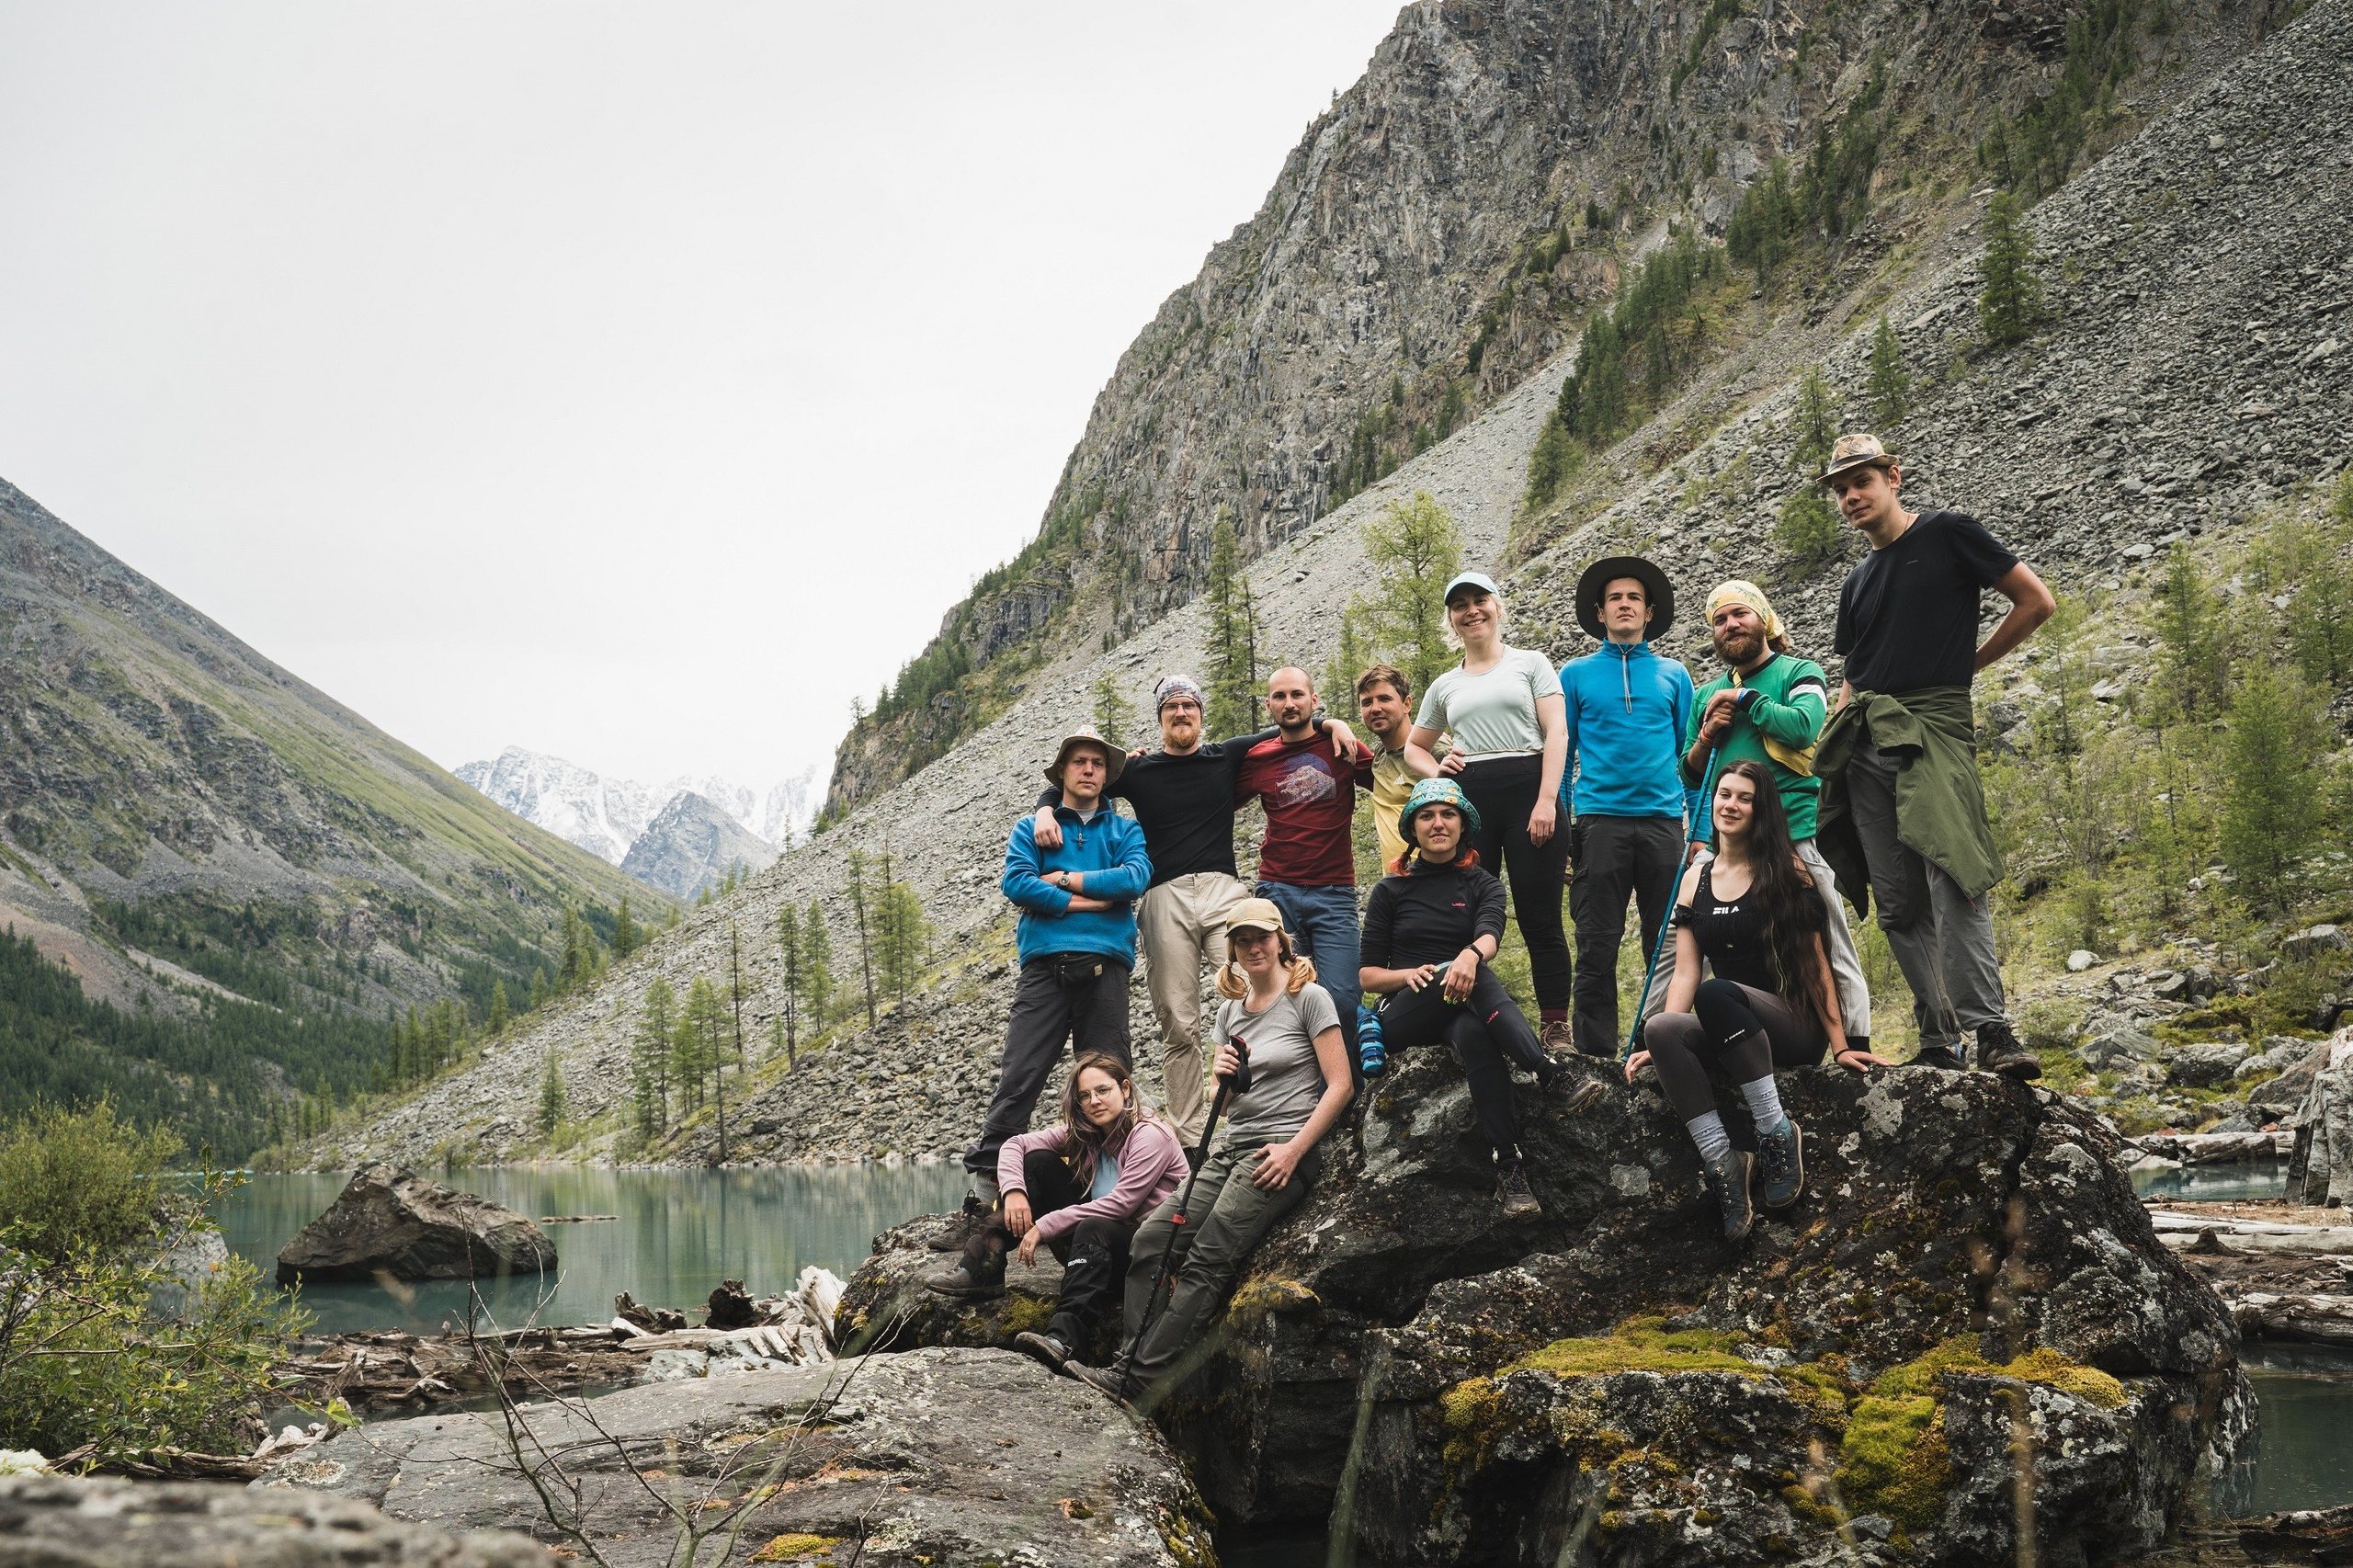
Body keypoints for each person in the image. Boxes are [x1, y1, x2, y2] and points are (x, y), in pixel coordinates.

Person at [1812, 435, 2054, 1078]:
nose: (1851, 497)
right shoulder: (1857, 581)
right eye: (1840, 489)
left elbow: (2036, 601)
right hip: (1865, 740)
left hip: (1934, 727)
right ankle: (1938, 1038)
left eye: (1861, 481)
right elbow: (1853, 671)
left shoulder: (1949, 534)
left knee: (1954, 875)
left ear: (1894, 476)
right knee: (1896, 900)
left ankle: (1992, 1032)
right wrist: (1840, 726)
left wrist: (1970, 664)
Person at [1029, 676, 1358, 1144]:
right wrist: (1044, 809)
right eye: (1171, 707)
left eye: (1189, 706)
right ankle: (1186, 1139)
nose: (1181, 713)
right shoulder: (1138, 771)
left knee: (1265, 989)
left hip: (1225, 890)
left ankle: (1284, 1110)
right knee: (1178, 1020)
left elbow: (1292, 726)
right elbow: (1081, 779)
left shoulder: (1226, 755)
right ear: (1160, 717)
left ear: (1201, 714)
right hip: (1165, 895)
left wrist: (1335, 722)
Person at [1066, 899, 1354, 1405]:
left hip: (1281, 1149)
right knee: (1153, 1236)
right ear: (1233, 949)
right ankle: (1124, 1362)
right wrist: (1225, 1079)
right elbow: (1228, 1109)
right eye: (1242, 940)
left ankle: (1137, 1383)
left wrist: (1293, 1151)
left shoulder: (1309, 998)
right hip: (1230, 1148)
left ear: (1280, 940)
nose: (1253, 947)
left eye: (1261, 937)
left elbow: (1340, 1086)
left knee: (1208, 1255)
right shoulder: (1228, 1012)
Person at [1631, 763, 1893, 1242]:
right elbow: (1687, 970)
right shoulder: (1695, 879)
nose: (1730, 805)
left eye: (1744, 798)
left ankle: (1775, 1131)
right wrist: (1662, 1037)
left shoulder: (1786, 871)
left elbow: (1818, 966)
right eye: (1724, 794)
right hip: (1728, 1024)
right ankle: (1724, 1161)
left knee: (1717, 992)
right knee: (1662, 1029)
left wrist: (1840, 1044)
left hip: (1790, 1026)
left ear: (1760, 809)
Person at [1360, 779, 1600, 1219]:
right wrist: (1408, 974)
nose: (1438, 823)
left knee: (1475, 1034)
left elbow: (1490, 932)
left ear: (1463, 825)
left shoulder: (1482, 883)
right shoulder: (1389, 890)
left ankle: (1510, 1169)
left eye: (1448, 814)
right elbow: (1368, 974)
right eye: (1427, 816)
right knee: (1471, 972)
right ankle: (1549, 1075)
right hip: (1405, 1011)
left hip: (1461, 1003)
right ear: (1412, 829)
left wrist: (1469, 957)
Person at [1673, 580, 1872, 1053]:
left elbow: (1805, 727)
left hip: (1798, 832)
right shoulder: (1706, 695)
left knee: (1829, 941)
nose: (1730, 625)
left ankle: (1856, 1039)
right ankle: (1697, 1035)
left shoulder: (1798, 671)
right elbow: (1690, 772)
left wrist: (1745, 702)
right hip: (1733, 845)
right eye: (1719, 620)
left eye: (1740, 614)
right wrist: (1706, 736)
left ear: (1765, 619)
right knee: (1701, 942)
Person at [960, 728, 1153, 1212]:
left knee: (1109, 1082)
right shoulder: (1031, 828)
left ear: (1107, 775)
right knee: (1019, 1076)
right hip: (1044, 969)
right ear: (1062, 771)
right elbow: (1018, 883)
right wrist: (1094, 902)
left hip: (1105, 969)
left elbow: (1135, 878)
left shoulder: (1124, 830)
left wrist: (1064, 882)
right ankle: (987, 1201)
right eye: (1079, 762)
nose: (1089, 770)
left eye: (1098, 763)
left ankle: (1114, 1195)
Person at [923, 1052, 1188, 1374]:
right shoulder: (1088, 1132)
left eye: (1103, 1091)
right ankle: (984, 1265)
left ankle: (1064, 1339)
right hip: (1096, 1249)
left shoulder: (1150, 1135)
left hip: (1143, 1256)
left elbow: (1122, 1205)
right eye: (1085, 1096)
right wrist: (1015, 1192)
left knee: (1093, 1226)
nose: (1094, 1101)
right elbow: (1014, 1145)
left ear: (1126, 1089)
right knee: (1038, 1164)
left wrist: (1045, 1226)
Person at [1403, 573, 1575, 1048]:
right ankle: (1460, 1019)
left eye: (1480, 600)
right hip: (1470, 800)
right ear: (1452, 620)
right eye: (1460, 605)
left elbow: (1556, 733)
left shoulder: (1531, 663)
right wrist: (1437, 771)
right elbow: (1414, 747)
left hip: (1530, 793)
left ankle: (1556, 1025)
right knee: (1467, 914)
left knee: (1540, 917)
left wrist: (1546, 800)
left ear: (1498, 608)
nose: (1472, 610)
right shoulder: (1445, 684)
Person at [1557, 558, 1697, 1058]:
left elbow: (1692, 756)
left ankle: (1658, 1048)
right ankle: (1596, 1056)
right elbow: (1562, 756)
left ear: (1648, 611)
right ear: (1600, 613)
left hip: (1665, 824)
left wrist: (1698, 827)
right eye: (1615, 598)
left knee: (1669, 946)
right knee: (1596, 944)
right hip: (1599, 823)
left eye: (1633, 598)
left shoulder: (1675, 675)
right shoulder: (1573, 676)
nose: (1624, 604)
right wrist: (1566, 832)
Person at [1236, 668, 1377, 1067]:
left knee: (1344, 997)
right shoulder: (1257, 759)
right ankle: (1300, 1100)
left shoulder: (1342, 746)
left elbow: (1392, 775)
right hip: (1276, 893)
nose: (1289, 703)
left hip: (1333, 893)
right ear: (1269, 706)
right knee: (1284, 999)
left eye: (1297, 694)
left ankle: (1345, 1096)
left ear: (1314, 701)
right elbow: (1212, 798)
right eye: (1279, 697)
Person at [1355, 663, 1440, 876]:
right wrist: (1331, 725)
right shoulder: (1379, 757)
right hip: (1396, 886)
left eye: (1384, 699)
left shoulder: (1434, 751)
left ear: (1407, 704)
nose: (1375, 708)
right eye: (1367, 702)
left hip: (1435, 881)